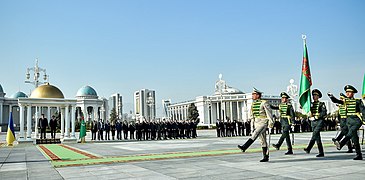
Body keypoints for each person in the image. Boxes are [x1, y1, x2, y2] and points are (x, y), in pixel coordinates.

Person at [237, 88, 274, 162]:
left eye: (254, 94)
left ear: (258, 95)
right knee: (262, 140)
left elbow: (269, 113)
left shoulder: (264, 103)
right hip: (256, 122)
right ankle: (265, 156)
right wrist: (252, 125)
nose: (252, 95)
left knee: (255, 133)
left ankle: (245, 146)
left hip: (263, 122)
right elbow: (252, 115)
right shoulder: (253, 104)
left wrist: (271, 122)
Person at [330, 85, 365, 160]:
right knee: (354, 138)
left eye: (349, 92)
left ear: (353, 93)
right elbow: (336, 101)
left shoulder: (358, 101)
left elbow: (363, 111)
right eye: (346, 92)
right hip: (349, 121)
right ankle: (359, 155)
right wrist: (331, 97)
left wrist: (364, 120)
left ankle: (341, 143)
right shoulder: (344, 101)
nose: (347, 93)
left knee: (351, 131)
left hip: (357, 120)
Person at [304, 89, 327, 157]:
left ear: (318, 96)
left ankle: (309, 148)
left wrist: (316, 117)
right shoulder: (311, 104)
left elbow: (323, 112)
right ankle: (321, 152)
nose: (314, 96)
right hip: (313, 122)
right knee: (317, 138)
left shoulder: (321, 104)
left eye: (315, 95)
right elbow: (307, 109)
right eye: (313, 95)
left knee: (315, 134)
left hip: (319, 121)